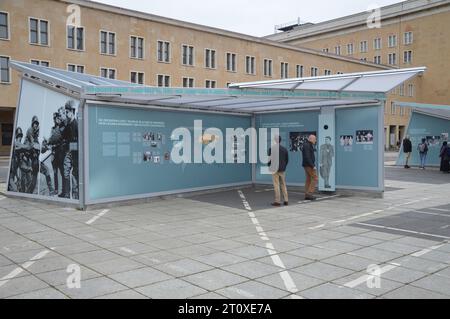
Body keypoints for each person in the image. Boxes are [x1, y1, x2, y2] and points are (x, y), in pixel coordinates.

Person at [60, 100, 79, 199]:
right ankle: (67, 193)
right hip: (69, 152)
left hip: (75, 154)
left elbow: (79, 141)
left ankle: (76, 196)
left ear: (72, 111)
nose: (66, 114)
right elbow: (63, 137)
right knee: (66, 172)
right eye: (65, 112)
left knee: (75, 174)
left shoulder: (77, 125)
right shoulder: (67, 125)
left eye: (67, 112)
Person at [268, 135, 289, 207]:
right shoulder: (284, 149)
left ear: (275, 140)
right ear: (280, 140)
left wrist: (269, 165)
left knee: (276, 185)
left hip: (274, 169)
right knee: (283, 184)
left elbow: (269, 159)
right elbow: (287, 160)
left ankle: (277, 201)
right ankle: (286, 200)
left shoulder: (272, 148)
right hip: (282, 169)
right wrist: (284, 166)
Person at [302, 134, 318, 201]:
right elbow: (307, 157)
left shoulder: (307, 145)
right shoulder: (307, 145)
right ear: (311, 139)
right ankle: (309, 193)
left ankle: (307, 195)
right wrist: (313, 165)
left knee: (308, 179)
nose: (315, 140)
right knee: (315, 178)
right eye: (315, 139)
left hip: (307, 165)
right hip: (309, 165)